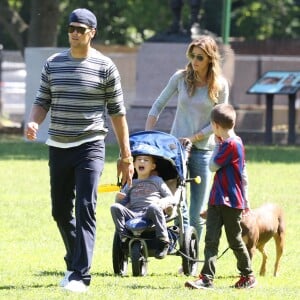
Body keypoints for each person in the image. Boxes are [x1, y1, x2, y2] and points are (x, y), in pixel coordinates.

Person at [25, 8, 134, 293]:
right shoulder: (53, 64)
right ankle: (75, 258)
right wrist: (33, 122)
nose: (74, 33)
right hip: (58, 146)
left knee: (85, 206)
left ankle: (80, 275)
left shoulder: (105, 67)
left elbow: (117, 113)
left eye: (80, 29)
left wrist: (126, 155)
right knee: (60, 211)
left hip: (90, 145)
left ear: (92, 33)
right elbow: (42, 100)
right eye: (71, 28)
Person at [145, 35, 229, 250]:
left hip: (203, 151)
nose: (195, 61)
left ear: (210, 59)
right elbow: (158, 105)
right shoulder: (180, 78)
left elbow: (220, 121)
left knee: (197, 209)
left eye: (200, 57)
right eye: (192, 56)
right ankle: (178, 245)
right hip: (176, 151)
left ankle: (190, 255)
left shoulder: (220, 84)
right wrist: (148, 136)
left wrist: (194, 138)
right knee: (176, 201)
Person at [185, 103, 257, 289]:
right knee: (212, 239)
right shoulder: (235, 142)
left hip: (230, 201)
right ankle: (206, 278)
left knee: (234, 240)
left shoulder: (230, 144)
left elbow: (212, 166)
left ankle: (248, 275)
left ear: (216, 125)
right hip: (218, 199)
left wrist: (216, 146)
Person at [111, 155, 176, 259]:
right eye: (139, 160)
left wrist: (163, 201)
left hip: (150, 213)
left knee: (153, 207)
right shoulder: (131, 182)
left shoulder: (156, 180)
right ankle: (124, 236)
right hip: (134, 214)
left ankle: (163, 241)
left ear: (152, 166)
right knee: (114, 207)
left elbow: (171, 197)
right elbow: (122, 204)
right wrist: (118, 199)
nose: (142, 161)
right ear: (134, 164)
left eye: (146, 160)